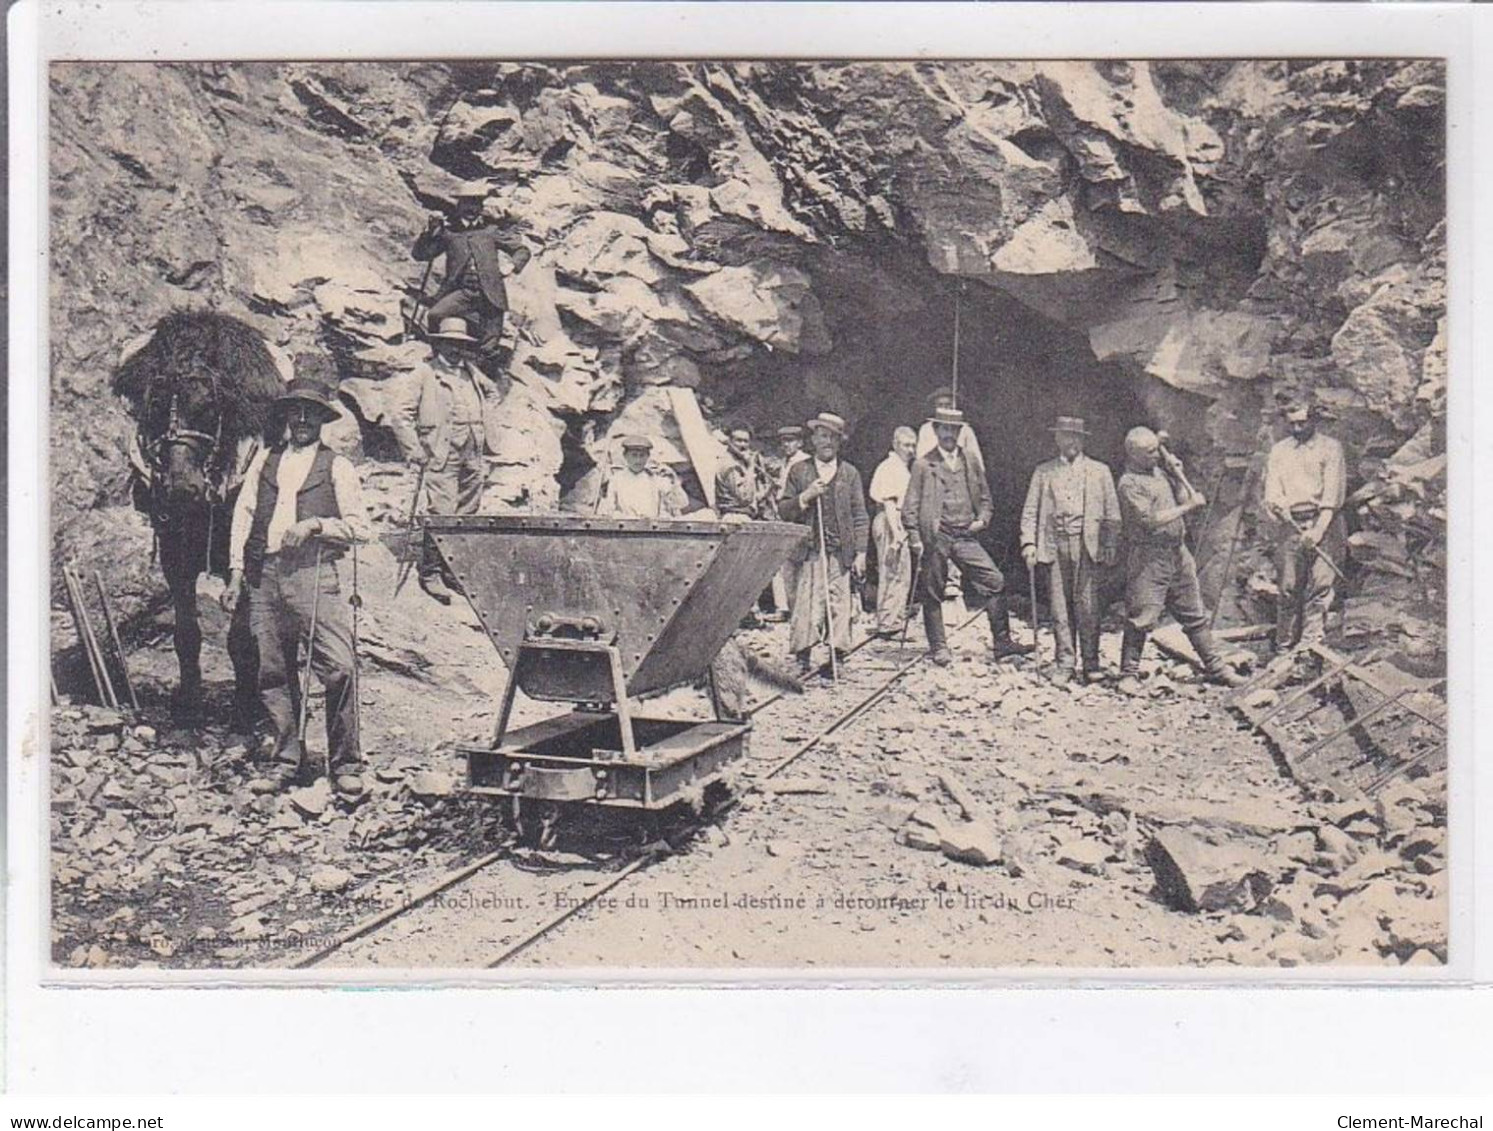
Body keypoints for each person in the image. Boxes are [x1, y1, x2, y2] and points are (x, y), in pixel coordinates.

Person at [222, 365, 373, 792]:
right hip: (265, 577)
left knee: (339, 666)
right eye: (296, 413)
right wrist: (236, 573)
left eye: (311, 413)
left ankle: (346, 762)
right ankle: (288, 758)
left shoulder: (337, 467)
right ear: (287, 418)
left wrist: (317, 526)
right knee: (273, 671)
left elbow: (362, 528)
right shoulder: (265, 462)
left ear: (322, 420)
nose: (303, 421)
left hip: (313, 574)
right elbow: (244, 516)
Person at [1115, 427, 1246, 695]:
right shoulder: (1129, 483)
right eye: (1149, 452)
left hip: (1178, 552)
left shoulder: (1160, 473)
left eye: (1156, 449)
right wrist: (1188, 507)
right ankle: (1127, 675)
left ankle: (1216, 668)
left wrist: (1177, 477)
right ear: (1133, 454)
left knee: (1194, 614)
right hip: (1149, 558)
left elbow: (1183, 500)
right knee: (1142, 616)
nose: (1156, 455)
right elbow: (1150, 520)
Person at [389, 317, 507, 605]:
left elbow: (492, 391)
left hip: (473, 449)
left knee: (467, 512)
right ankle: (431, 573)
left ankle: (453, 571)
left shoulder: (470, 371)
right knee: (442, 512)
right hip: (442, 451)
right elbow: (400, 414)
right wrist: (414, 448)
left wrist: (485, 417)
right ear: (439, 343)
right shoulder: (424, 373)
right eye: (450, 344)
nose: (455, 349)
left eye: (460, 344)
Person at [904, 407, 1033, 666]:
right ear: (936, 431)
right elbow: (910, 506)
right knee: (932, 591)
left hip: (965, 535)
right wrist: (915, 537)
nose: (949, 434)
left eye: (954, 429)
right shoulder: (922, 465)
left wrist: (982, 520)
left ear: (960, 432)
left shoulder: (970, 461)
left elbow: (986, 499)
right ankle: (939, 646)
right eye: (944, 429)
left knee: (995, 581)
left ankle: (1003, 644)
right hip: (937, 535)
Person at [1019, 416, 1121, 684]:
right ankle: (1064, 663)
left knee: (1088, 606)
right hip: (1054, 545)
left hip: (1087, 546)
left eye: (1076, 437)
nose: (1071, 442)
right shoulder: (1044, 472)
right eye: (1065, 436)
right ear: (1057, 439)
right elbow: (1030, 512)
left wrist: (1110, 544)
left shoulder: (1100, 471)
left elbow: (1112, 515)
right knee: (1059, 608)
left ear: (1083, 440)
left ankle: (1091, 663)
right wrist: (1029, 543)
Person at [778, 413, 869, 675]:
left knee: (840, 603)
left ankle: (836, 655)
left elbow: (860, 515)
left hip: (840, 550)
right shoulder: (800, 471)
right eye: (822, 436)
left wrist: (861, 552)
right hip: (810, 549)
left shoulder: (849, 474)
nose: (827, 441)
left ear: (840, 442)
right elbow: (784, 509)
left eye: (833, 437)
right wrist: (806, 496)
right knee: (808, 602)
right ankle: (803, 656)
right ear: (814, 439)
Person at [411, 187, 531, 367]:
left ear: (481, 207)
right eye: (467, 203)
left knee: (490, 345)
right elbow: (421, 254)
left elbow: (522, 250)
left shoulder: (490, 231)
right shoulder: (449, 233)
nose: (471, 208)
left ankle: (485, 376)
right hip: (462, 292)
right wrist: (430, 233)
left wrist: (511, 266)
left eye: (475, 204)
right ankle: (436, 356)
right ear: (459, 206)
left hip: (490, 295)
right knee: (435, 315)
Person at [1263, 399, 1347, 657]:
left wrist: (1318, 531)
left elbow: (1333, 494)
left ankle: (1311, 648)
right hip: (1290, 526)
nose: (1298, 428)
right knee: (1288, 588)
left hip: (1325, 523)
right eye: (1292, 424)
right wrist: (1277, 507)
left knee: (1321, 588)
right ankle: (1284, 650)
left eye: (1303, 422)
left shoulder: (1330, 448)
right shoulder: (1279, 450)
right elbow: (1272, 490)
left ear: (1313, 420)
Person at [868, 426, 918, 636]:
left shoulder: (902, 468)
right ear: (896, 445)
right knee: (893, 571)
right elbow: (889, 502)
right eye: (906, 445)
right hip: (890, 521)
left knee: (900, 572)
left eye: (913, 445)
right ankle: (889, 623)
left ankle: (893, 619)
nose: (911, 450)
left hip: (897, 521)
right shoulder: (890, 467)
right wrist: (897, 535)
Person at [772, 425, 812, 612]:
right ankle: (787, 607)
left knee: (798, 564)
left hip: (798, 515)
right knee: (785, 563)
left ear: (800, 442)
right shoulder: (785, 463)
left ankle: (797, 608)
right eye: (784, 442)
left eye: (791, 441)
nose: (787, 445)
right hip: (785, 513)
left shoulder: (804, 462)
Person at [597, 434, 685, 518]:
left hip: (651, 529)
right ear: (625, 456)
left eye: (642, 456)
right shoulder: (616, 479)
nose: (638, 460)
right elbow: (608, 510)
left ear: (648, 457)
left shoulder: (656, 479)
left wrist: (674, 482)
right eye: (634, 455)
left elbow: (681, 503)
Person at [915, 385, 985, 463]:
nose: (944, 408)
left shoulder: (965, 429)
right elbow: (921, 456)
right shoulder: (926, 429)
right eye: (940, 405)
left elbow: (976, 459)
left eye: (947, 405)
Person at [715, 426, 770, 519]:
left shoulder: (740, 463)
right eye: (738, 440)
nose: (743, 445)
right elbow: (745, 499)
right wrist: (751, 467)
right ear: (730, 442)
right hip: (735, 517)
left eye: (746, 441)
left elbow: (753, 497)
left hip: (744, 516)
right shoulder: (729, 465)